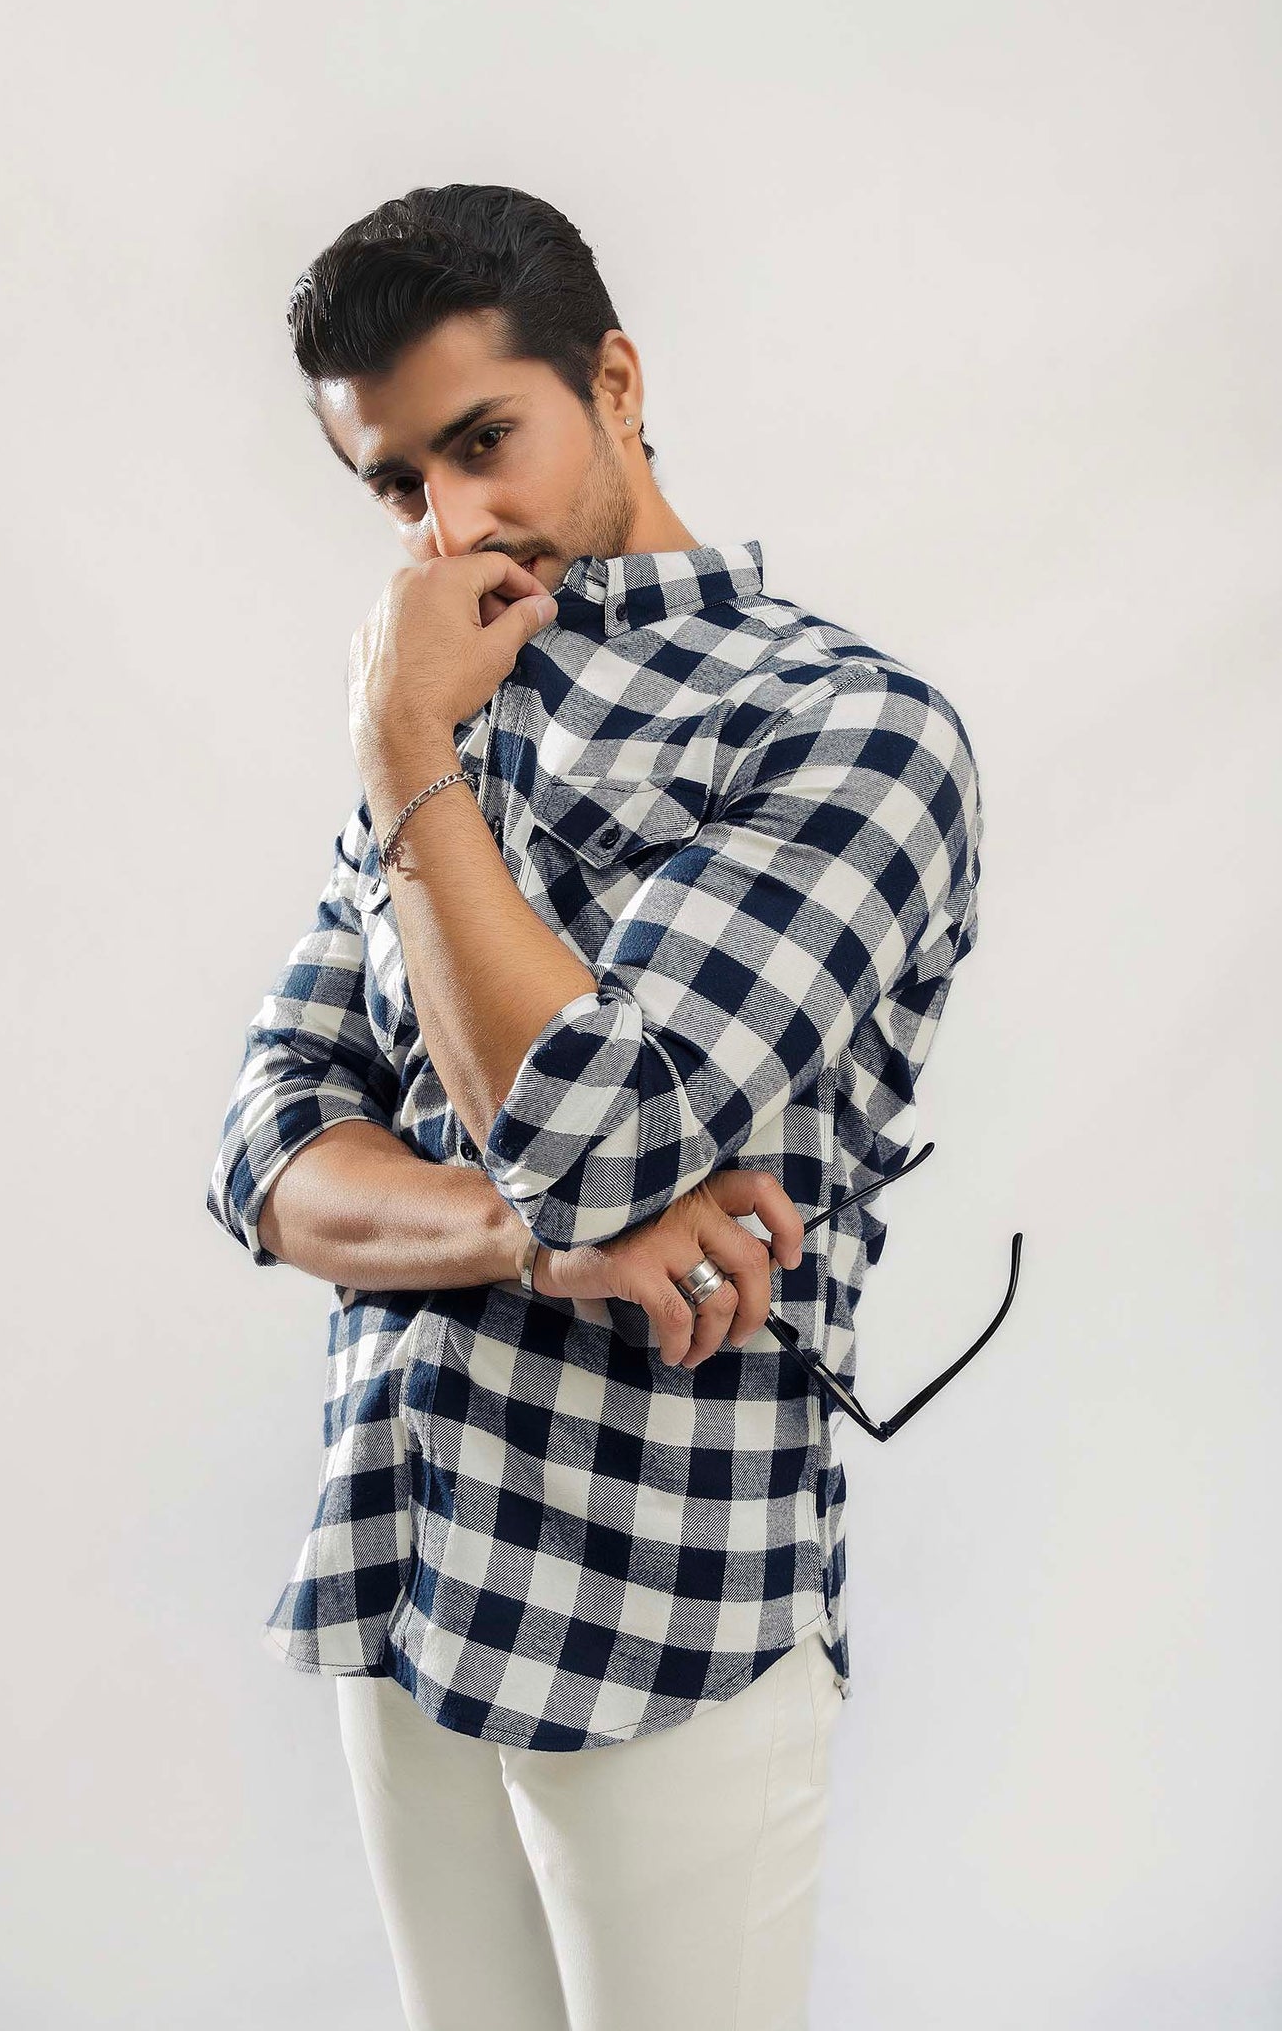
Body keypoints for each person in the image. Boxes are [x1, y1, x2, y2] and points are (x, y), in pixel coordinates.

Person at [206, 182, 984, 2031]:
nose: (452, 524)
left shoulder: (847, 731)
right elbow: (264, 1146)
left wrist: (400, 756)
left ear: (615, 383)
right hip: (404, 1570)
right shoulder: (448, 715)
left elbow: (597, 1135)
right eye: (400, 485)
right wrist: (531, 1248)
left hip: (658, 1612)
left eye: (485, 442)